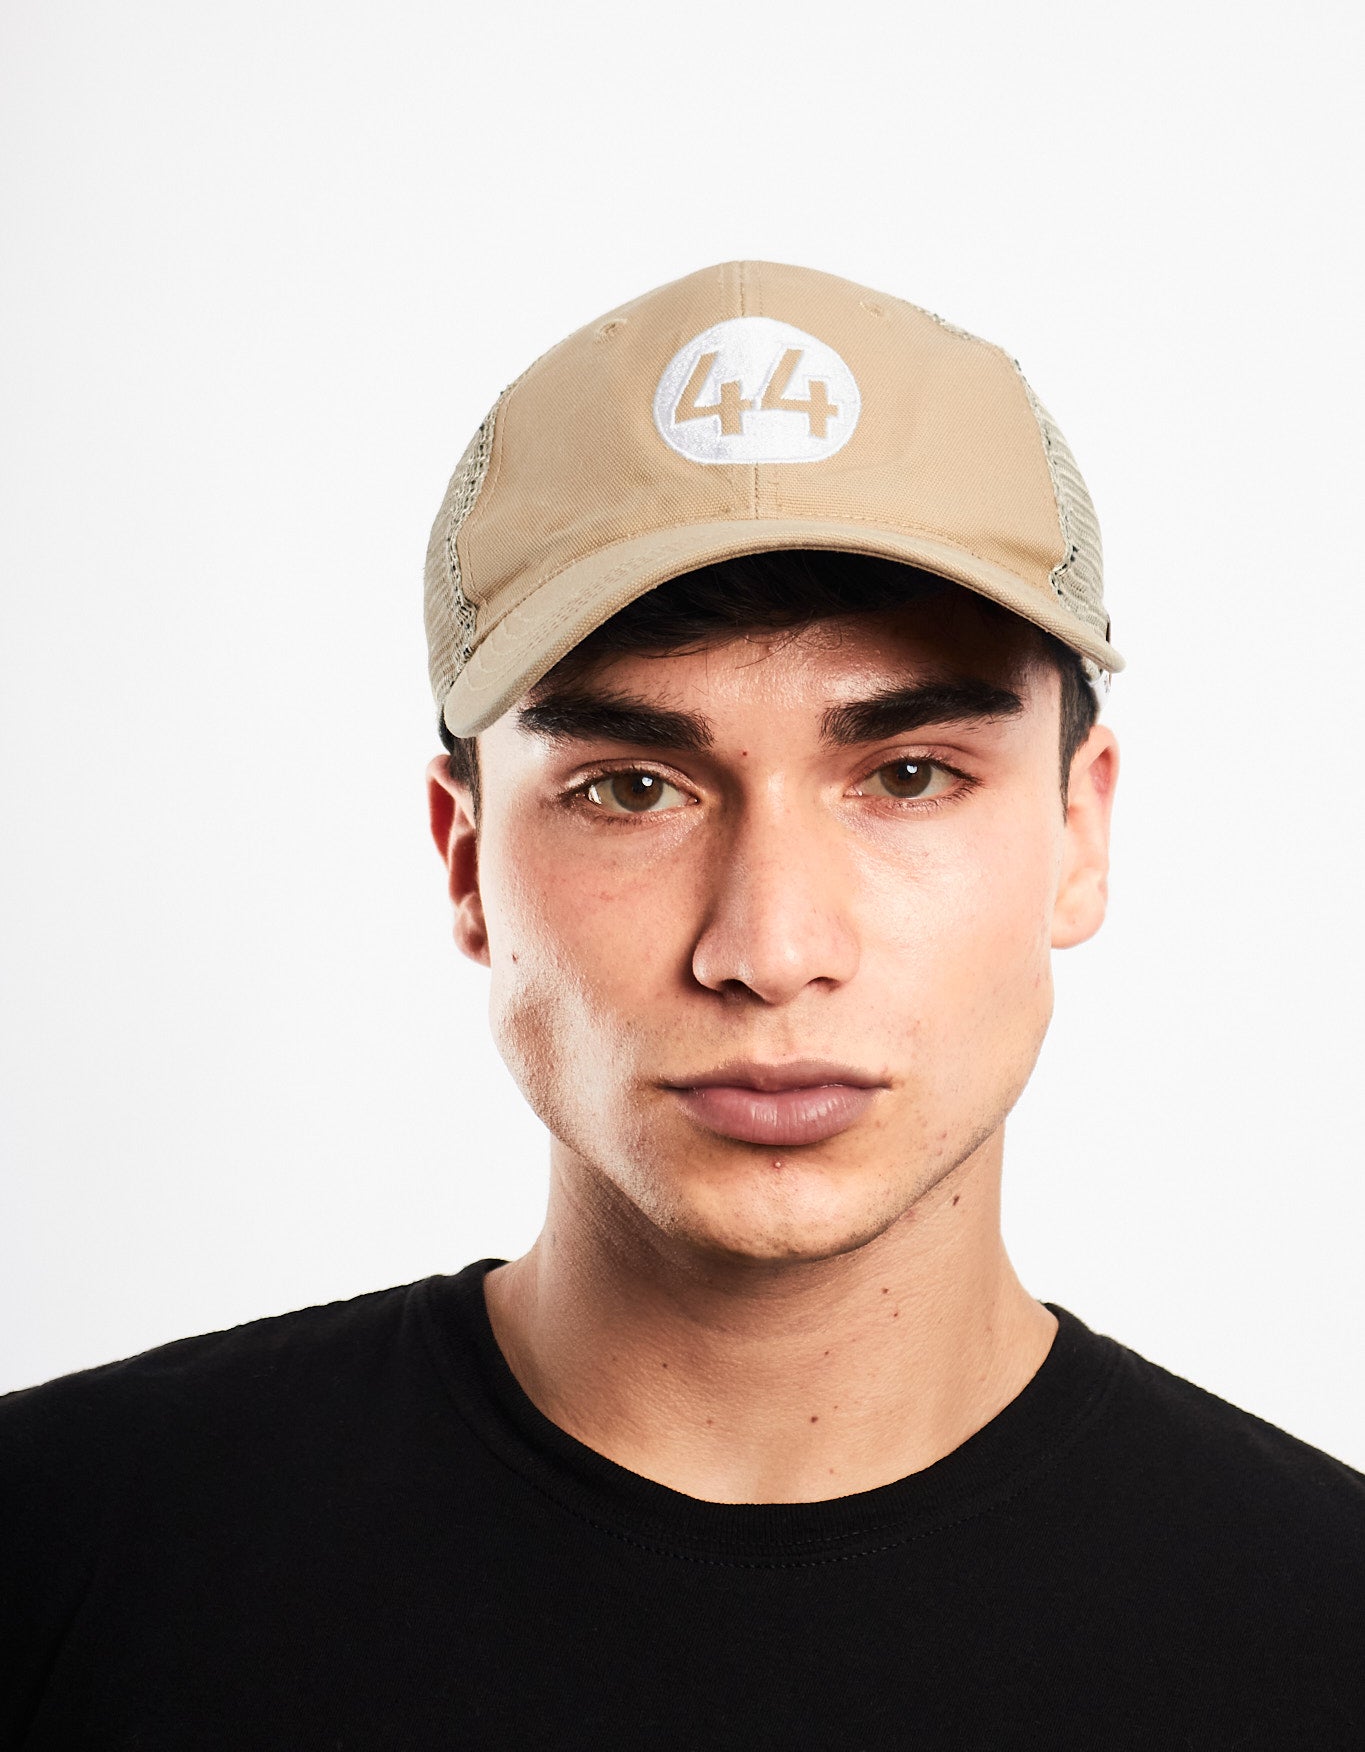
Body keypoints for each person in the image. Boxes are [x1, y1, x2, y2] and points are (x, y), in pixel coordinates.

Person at [3, 262, 1362, 1748]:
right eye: (632, 789)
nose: (767, 950)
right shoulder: (62, 1554)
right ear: (465, 861)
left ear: (1077, 834)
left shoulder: (1322, 1633)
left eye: (908, 776)